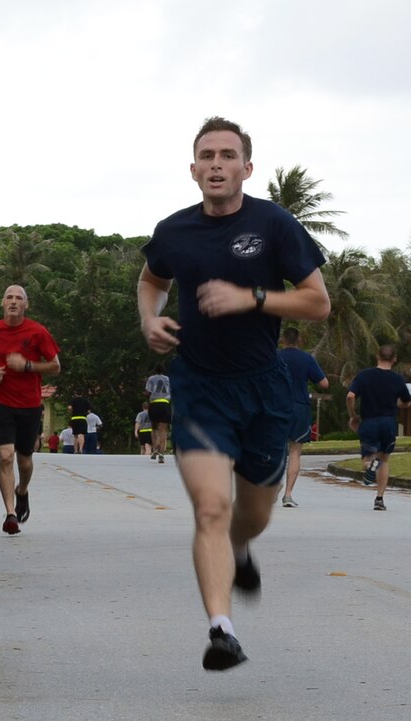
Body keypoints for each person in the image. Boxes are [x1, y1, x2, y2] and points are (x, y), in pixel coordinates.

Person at [137, 116, 330, 671]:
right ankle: (221, 629)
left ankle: (242, 550)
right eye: (207, 155)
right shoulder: (173, 231)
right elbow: (153, 279)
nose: (216, 164)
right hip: (198, 386)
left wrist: (253, 297)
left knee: (253, 513)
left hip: (264, 389)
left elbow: (317, 303)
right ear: (193, 169)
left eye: (227, 155)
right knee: (211, 508)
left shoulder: (274, 224)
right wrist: (150, 319)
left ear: (247, 167)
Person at [0, 285, 61, 535]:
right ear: (2, 303)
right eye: (9, 297)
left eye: (18, 298)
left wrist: (27, 366)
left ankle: (22, 491)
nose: (13, 302)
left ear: (26, 305)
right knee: (5, 456)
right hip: (0, 403)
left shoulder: (37, 332)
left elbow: (55, 366)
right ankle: (10, 514)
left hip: (29, 405)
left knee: (25, 459)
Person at [346, 345, 411, 511]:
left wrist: (353, 416)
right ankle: (379, 498)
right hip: (388, 422)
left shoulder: (364, 375)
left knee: (368, 458)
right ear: (394, 359)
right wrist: (396, 403)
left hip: (369, 422)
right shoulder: (397, 379)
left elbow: (350, 396)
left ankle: (370, 467)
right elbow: (407, 402)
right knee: (385, 459)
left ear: (377, 356)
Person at [278, 326, 329, 507]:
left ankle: (274, 483)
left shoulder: (275, 357)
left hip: (277, 407)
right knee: (295, 451)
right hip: (299, 406)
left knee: (275, 448)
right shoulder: (307, 359)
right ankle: (288, 495)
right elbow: (324, 383)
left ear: (283, 340)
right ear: (299, 340)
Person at [146, 364, 172, 462]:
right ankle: (161, 453)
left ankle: (155, 449)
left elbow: (148, 391)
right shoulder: (168, 379)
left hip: (154, 404)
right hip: (165, 404)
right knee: (163, 431)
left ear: (155, 370)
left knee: (154, 428)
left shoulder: (151, 378)